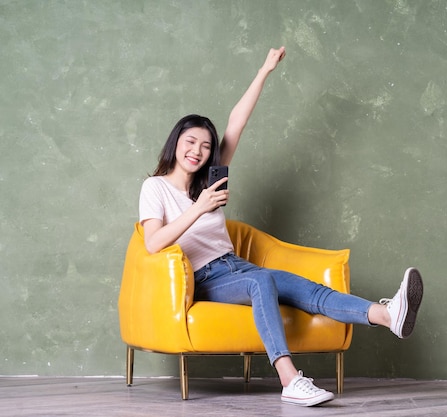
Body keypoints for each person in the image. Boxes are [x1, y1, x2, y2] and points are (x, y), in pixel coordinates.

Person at [138, 46, 424, 407]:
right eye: (190, 141)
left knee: (310, 291)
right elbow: (153, 243)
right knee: (262, 280)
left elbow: (237, 122)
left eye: (206, 146)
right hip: (204, 278)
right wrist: (198, 209)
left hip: (235, 267)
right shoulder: (155, 187)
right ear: (175, 142)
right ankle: (289, 380)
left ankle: (388, 315)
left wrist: (265, 70)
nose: (197, 150)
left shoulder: (209, 180)